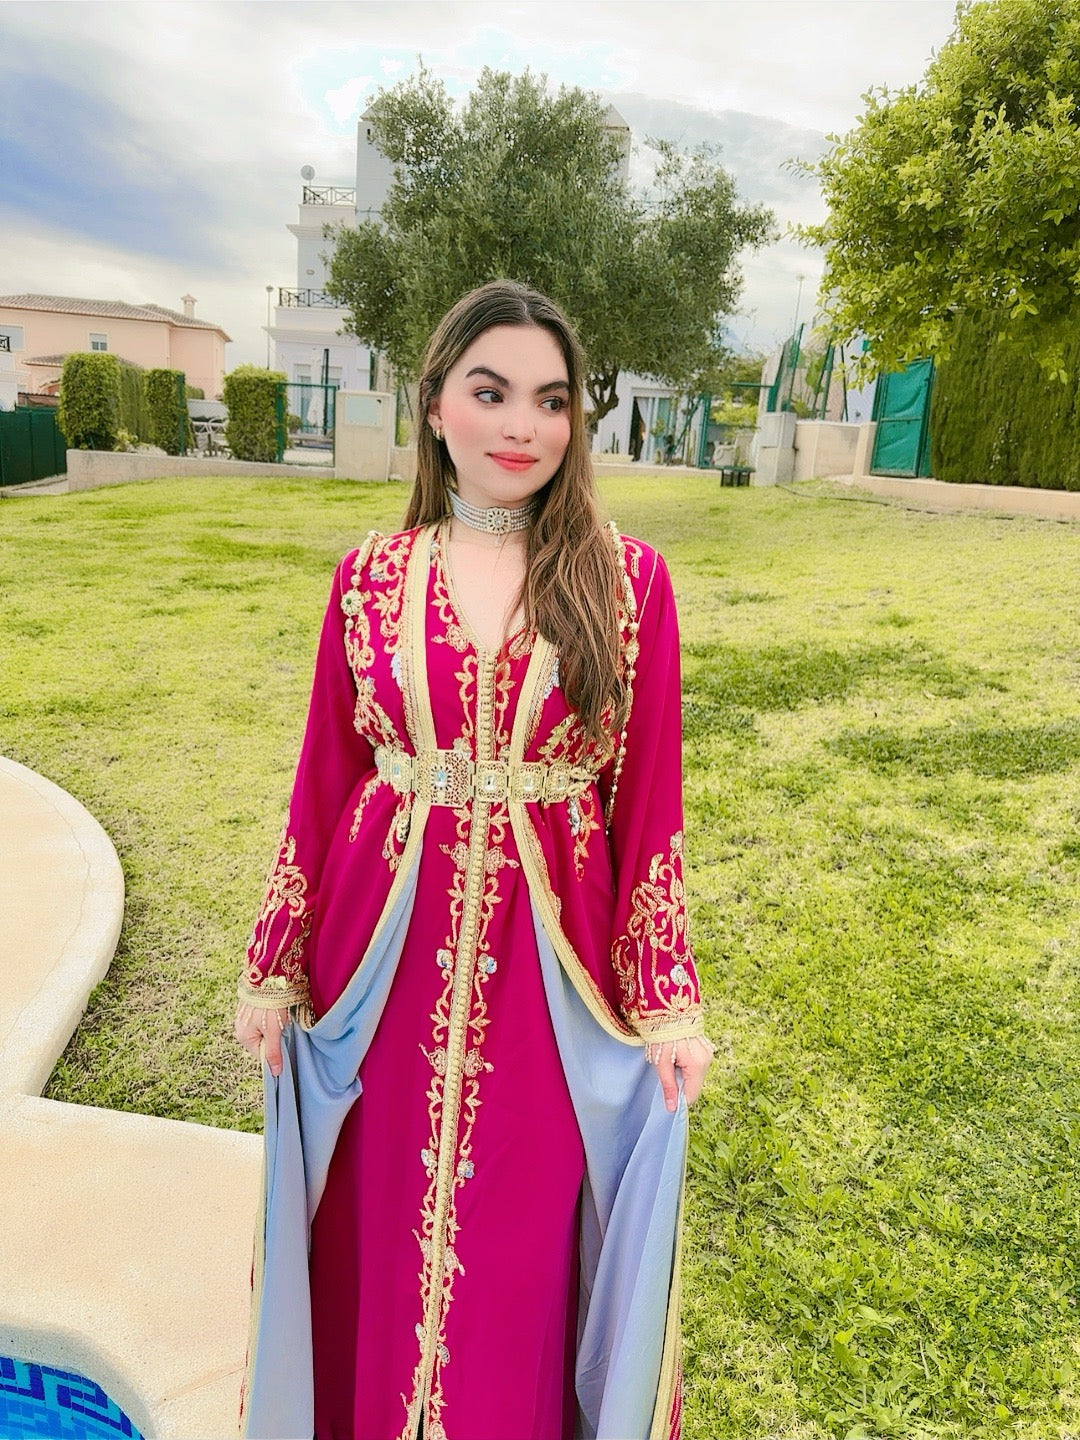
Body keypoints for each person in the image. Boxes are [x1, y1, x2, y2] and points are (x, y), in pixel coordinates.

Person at [233, 280, 713, 1440]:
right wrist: (274, 962)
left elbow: (647, 809)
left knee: (517, 1251)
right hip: (377, 963)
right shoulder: (367, 578)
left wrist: (668, 1003)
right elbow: (324, 782)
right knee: (376, 1237)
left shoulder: (627, 582)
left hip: (551, 980)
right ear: (434, 404)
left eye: (552, 401)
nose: (523, 428)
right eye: (491, 392)